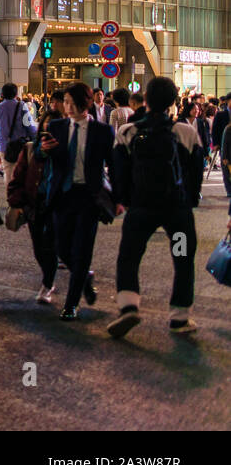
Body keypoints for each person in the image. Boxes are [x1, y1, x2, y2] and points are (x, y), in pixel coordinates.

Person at [108, 77, 206, 337]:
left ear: (146, 101)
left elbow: (118, 171)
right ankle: (179, 317)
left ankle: (129, 306)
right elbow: (197, 172)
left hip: (141, 209)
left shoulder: (127, 132)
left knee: (130, 255)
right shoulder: (185, 132)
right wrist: (189, 200)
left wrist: (123, 200)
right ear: (173, 102)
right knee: (182, 258)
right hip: (177, 211)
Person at [38, 82, 115, 321]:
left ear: (87, 103)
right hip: (62, 194)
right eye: (66, 102)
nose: (67, 107)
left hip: (88, 196)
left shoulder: (102, 131)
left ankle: (71, 305)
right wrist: (43, 150)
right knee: (61, 247)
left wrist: (119, 197)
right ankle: (84, 278)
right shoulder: (58, 126)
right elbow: (38, 156)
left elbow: (113, 164)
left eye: (72, 103)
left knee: (82, 250)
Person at [7, 108, 61, 305]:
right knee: (39, 248)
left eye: (53, 130)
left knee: (52, 245)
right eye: (46, 130)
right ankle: (50, 278)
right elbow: (18, 176)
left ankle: (48, 283)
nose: (48, 135)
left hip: (56, 205)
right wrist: (16, 201)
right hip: (34, 203)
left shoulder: (65, 151)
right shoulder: (31, 149)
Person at [0, 83, 37, 177]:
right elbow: (29, 125)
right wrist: (35, 138)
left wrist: (3, 134)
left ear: (3, 94)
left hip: (5, 145)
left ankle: (10, 190)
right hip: (20, 145)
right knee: (22, 174)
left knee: (8, 173)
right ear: (16, 94)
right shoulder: (21, 106)